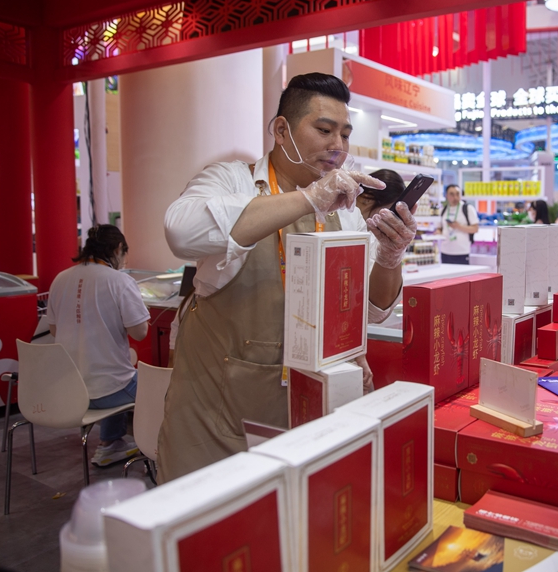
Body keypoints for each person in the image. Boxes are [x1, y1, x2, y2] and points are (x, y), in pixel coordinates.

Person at [158, 73, 417, 481]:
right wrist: (308, 198)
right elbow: (181, 232)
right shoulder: (231, 180)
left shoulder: (345, 211)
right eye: (324, 130)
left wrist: (389, 256)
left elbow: (372, 310)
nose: (338, 146)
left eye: (345, 134)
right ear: (281, 130)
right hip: (218, 412)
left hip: (307, 411)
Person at [47, 225, 149, 467]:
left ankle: (111, 444)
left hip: (69, 391)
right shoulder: (120, 281)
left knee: (118, 372)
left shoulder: (60, 279)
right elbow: (140, 332)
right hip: (108, 393)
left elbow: (54, 330)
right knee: (154, 387)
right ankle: (156, 452)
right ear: (118, 248)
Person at [438, 184, 479, 264]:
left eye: (457, 194)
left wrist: (458, 226)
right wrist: (438, 232)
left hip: (462, 252)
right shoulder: (442, 210)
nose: (455, 197)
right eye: (452, 194)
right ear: (446, 195)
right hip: (445, 251)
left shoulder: (467, 208)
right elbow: (439, 228)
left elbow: (475, 228)